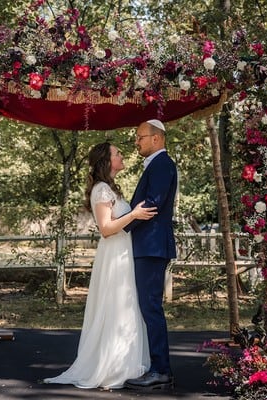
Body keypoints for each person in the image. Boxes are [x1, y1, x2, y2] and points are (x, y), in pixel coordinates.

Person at [43, 142, 157, 389]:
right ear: (107, 161)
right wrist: (134, 215)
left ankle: (125, 362)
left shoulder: (112, 189)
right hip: (114, 254)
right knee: (115, 306)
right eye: (118, 153)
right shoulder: (101, 190)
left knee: (125, 305)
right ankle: (111, 367)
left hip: (123, 252)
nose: (122, 155)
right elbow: (106, 229)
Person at [123, 119, 177, 391]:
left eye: (140, 137)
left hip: (152, 247)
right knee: (148, 307)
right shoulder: (157, 165)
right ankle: (158, 367)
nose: (137, 142)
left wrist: (122, 225)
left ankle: (161, 370)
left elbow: (153, 203)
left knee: (151, 308)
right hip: (148, 245)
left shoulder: (162, 164)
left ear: (156, 139)